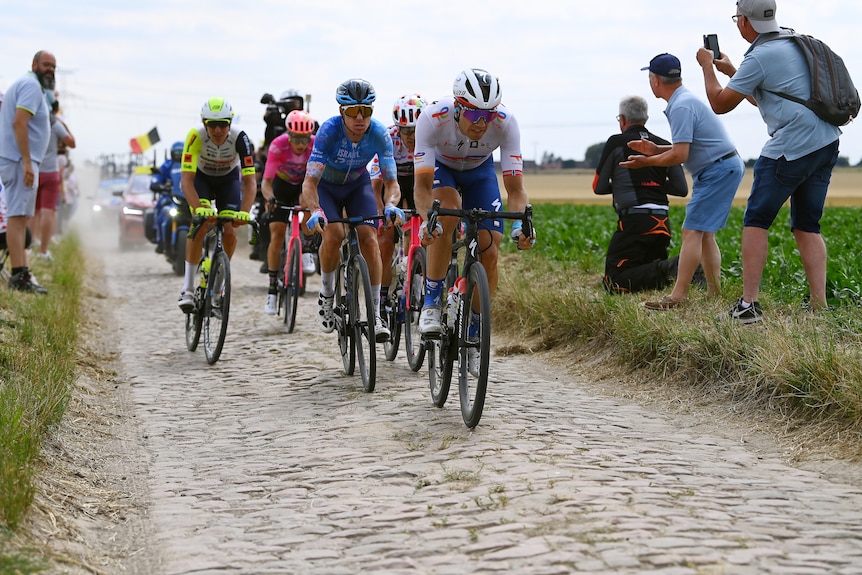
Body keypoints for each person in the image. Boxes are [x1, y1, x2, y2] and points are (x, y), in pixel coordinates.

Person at [701, 0, 841, 323]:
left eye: (737, 17)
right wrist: (732, 72)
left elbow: (721, 104)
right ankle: (819, 307)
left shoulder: (760, 56)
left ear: (745, 22)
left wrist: (707, 67)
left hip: (790, 147)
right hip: (826, 141)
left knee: (756, 219)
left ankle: (749, 306)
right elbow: (763, 94)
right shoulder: (792, 40)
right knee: (807, 225)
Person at [414, 68, 535, 336]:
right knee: (447, 214)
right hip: (442, 169)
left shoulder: (506, 122)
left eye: (489, 115)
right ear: (457, 107)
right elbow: (421, 188)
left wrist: (519, 228)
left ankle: (476, 328)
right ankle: (432, 302)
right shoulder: (432, 118)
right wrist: (427, 220)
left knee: (490, 249)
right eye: (474, 114)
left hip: (479, 173)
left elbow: (515, 190)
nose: (482, 123)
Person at [621, 53, 744, 309]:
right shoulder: (683, 101)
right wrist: (653, 150)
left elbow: (680, 155)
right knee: (704, 233)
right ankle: (713, 292)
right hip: (720, 167)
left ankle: (678, 296)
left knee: (691, 231)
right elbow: (683, 148)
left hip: (717, 170)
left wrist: (647, 161)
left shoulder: (680, 106)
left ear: (655, 80)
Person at [300, 78, 402, 342]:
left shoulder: (379, 134)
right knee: (334, 235)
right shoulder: (328, 132)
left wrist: (391, 204)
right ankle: (326, 294)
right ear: (341, 112)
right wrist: (314, 210)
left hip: (358, 185)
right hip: (328, 188)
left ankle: (376, 315)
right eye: (353, 112)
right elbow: (310, 182)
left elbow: (392, 182)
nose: (360, 118)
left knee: (370, 238)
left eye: (366, 111)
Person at [594, 95, 689, 293]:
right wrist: (654, 186)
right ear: (645, 118)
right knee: (647, 278)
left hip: (635, 222)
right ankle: (681, 267)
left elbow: (598, 186)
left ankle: (677, 266)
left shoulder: (616, 142)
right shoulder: (663, 144)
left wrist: (624, 186)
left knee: (614, 283)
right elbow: (681, 189)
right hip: (662, 222)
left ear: (622, 120)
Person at [176, 97, 256, 312]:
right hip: (201, 180)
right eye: (212, 125)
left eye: (223, 124)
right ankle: (188, 288)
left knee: (230, 231)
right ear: (204, 124)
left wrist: (244, 213)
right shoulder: (195, 137)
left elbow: (250, 182)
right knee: (200, 224)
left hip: (227, 181)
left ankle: (219, 288)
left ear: (230, 123)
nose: (218, 130)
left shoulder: (241, 138)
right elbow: (186, 180)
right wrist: (197, 208)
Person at [0, 50, 55, 293]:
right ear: (34, 64)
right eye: (46, 64)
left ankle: (22, 272)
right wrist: (26, 162)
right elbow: (19, 122)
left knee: (21, 218)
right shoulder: (31, 86)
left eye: (54, 66)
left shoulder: (32, 86)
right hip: (18, 160)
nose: (50, 69)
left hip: (20, 159)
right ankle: (18, 275)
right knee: (17, 217)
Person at [371, 93, 427, 314]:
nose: (411, 136)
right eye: (406, 131)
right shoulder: (388, 138)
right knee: (385, 240)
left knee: (428, 229)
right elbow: (376, 185)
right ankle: (382, 296)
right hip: (391, 181)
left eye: (415, 130)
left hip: (418, 181)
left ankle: (421, 278)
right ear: (397, 129)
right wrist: (380, 213)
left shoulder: (430, 138)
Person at [261, 109, 316, 315]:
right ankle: (273, 288)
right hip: (281, 186)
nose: (301, 144)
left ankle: (307, 249)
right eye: (296, 139)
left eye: (305, 139)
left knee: (310, 201)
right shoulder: (278, 145)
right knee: (276, 234)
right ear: (289, 135)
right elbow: (266, 183)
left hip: (304, 185)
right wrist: (270, 198)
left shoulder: (315, 144)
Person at [31, 94, 75, 261]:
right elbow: (71, 142)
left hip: (33, 169)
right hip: (50, 171)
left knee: (32, 211)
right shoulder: (55, 124)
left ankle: (29, 245)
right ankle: (43, 250)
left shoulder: (31, 121)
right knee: (48, 211)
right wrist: (64, 125)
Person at [152, 141, 184, 254]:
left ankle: (207, 243)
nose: (178, 155)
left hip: (187, 198)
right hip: (170, 197)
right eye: (176, 153)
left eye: (181, 153)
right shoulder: (167, 165)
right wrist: (157, 184)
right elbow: (157, 177)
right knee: (162, 211)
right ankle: (161, 241)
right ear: (171, 153)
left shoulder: (190, 163)